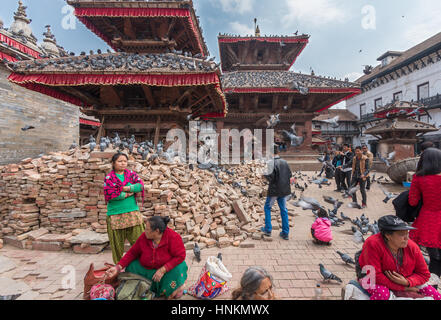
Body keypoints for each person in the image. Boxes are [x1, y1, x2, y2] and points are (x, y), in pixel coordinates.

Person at [358, 215, 440, 300]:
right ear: (388, 235)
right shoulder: (372, 244)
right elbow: (374, 276)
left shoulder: (412, 247)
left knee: (435, 295)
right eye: (401, 234)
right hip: (371, 278)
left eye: (407, 233)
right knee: (382, 294)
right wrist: (403, 288)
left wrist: (407, 282)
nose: (406, 238)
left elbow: (424, 274)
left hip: (405, 280)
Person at [105, 216, 188, 299]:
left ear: (157, 231)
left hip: (166, 269)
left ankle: (178, 286)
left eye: (147, 229)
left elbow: (180, 256)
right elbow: (132, 253)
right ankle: (147, 288)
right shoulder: (144, 237)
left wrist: (163, 269)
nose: (145, 231)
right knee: (131, 266)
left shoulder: (173, 237)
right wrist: (118, 267)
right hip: (148, 268)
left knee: (178, 268)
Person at [104, 152, 146, 263]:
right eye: (120, 161)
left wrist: (126, 188)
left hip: (132, 212)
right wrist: (128, 194)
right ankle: (119, 267)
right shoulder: (109, 178)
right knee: (117, 245)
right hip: (115, 214)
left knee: (139, 241)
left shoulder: (131, 174)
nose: (123, 163)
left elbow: (140, 186)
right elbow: (110, 194)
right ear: (113, 163)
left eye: (125, 161)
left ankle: (141, 265)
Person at [408, 148, 441, 287]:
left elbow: (413, 201)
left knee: (434, 258)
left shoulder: (419, 178)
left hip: (428, 222)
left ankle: (432, 288)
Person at [261, 145, 292, 240]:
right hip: (283, 190)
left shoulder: (271, 162)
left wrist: (264, 175)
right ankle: (285, 233)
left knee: (267, 207)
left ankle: (268, 229)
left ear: (270, 153)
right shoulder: (285, 162)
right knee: (283, 210)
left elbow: (270, 177)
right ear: (278, 152)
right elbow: (289, 174)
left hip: (274, 190)